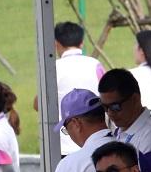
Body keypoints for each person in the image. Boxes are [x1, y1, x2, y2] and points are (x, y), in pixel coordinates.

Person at [35, 22, 105, 156]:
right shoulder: (95, 65)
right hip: (96, 142)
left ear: (56, 44)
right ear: (81, 43)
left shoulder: (52, 68)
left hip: (64, 146)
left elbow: (39, 104)